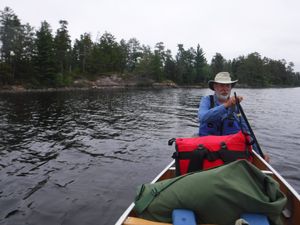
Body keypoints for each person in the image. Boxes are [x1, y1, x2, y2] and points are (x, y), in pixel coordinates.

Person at [198, 71, 246, 136]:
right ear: (215, 87)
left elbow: (244, 127)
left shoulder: (236, 105)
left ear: (230, 88)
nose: (225, 89)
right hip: (208, 144)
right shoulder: (206, 100)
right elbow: (202, 117)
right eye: (222, 85)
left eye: (228, 86)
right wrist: (226, 105)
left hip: (230, 144)